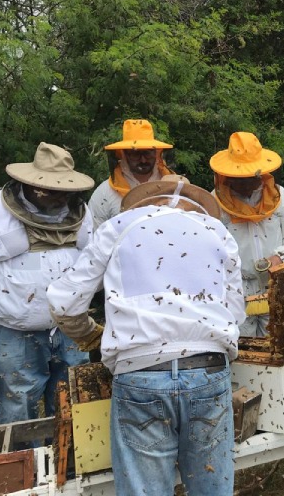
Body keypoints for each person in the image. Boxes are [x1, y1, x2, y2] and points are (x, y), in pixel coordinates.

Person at [47, 175, 245, 496]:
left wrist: (91, 336)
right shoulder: (217, 231)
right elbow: (235, 313)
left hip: (140, 378)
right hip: (207, 371)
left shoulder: (120, 226)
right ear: (195, 206)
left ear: (143, 202)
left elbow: (63, 302)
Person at [0, 143, 94, 425]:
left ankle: (68, 469)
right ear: (32, 184)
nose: (59, 196)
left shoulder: (82, 213)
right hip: (12, 329)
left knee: (72, 403)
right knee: (16, 405)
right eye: (51, 188)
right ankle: (21, 466)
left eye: (64, 190)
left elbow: (91, 262)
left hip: (70, 327)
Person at [209, 132, 284, 337]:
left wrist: (281, 256)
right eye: (239, 178)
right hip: (236, 288)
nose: (244, 183)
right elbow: (209, 251)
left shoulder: (279, 196)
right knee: (244, 351)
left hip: (277, 283)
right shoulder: (214, 203)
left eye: (249, 177)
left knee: (278, 345)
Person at [88, 119, 175, 228]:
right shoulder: (104, 193)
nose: (143, 160)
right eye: (135, 154)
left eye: (148, 153)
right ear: (123, 154)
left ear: (156, 153)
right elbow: (94, 237)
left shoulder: (174, 186)